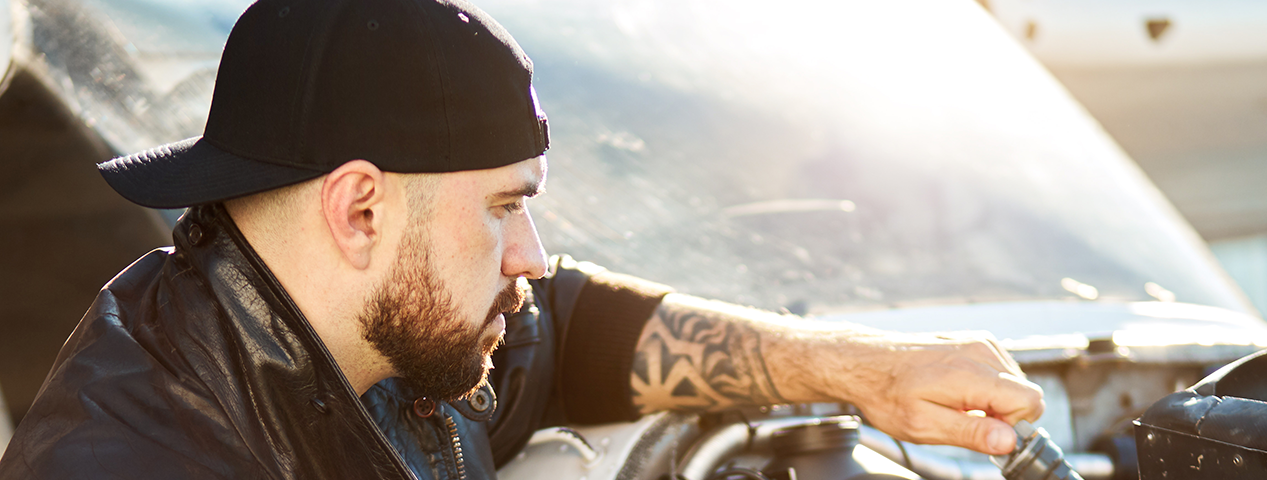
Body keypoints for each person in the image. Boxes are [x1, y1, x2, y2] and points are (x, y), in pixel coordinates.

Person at [0, 0, 1043, 477]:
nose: (532, 253)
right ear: (359, 209)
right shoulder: (134, 456)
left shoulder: (384, 326)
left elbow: (575, 327)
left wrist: (860, 372)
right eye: (503, 206)